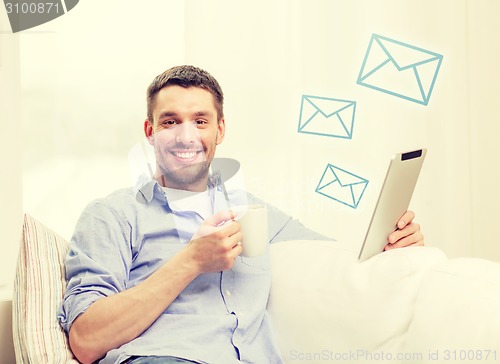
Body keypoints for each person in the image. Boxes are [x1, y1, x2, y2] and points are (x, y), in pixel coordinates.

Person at [58, 65, 424, 364]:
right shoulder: (112, 215)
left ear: (220, 130)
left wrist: (392, 246)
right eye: (170, 122)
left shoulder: (252, 212)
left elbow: (340, 261)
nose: (186, 135)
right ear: (150, 133)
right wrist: (190, 261)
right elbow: (87, 340)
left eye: (200, 121)